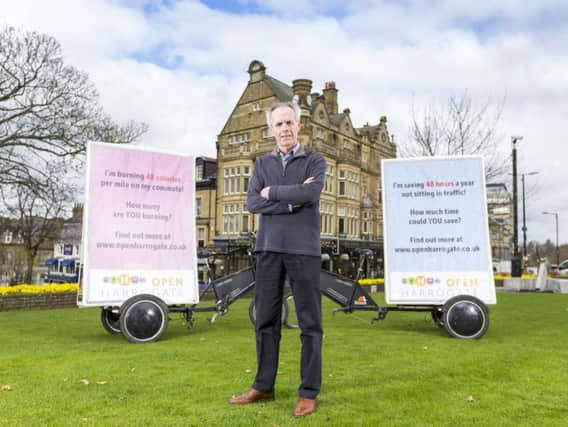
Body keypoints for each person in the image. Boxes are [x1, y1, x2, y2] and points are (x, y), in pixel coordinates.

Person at [229, 101, 327, 417]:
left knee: (310, 323)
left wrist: (274, 193)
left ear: (299, 125)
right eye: (278, 124)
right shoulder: (261, 164)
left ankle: (308, 392)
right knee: (266, 321)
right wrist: (288, 202)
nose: (284, 129)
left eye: (289, 123)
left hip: (304, 250)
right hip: (268, 249)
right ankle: (263, 386)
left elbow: (310, 195)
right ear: (271, 130)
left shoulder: (315, 160)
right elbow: (253, 202)